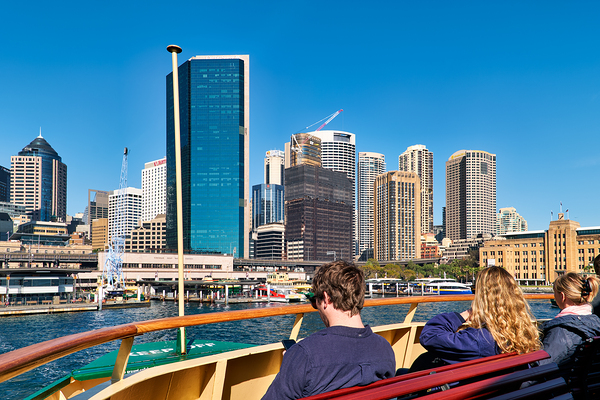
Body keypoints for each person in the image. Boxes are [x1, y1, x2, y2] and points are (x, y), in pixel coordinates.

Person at [261, 260, 396, 400]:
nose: (316, 306)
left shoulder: (304, 354)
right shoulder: (385, 349)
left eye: (315, 301)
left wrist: (292, 363)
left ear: (326, 299)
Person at [413, 266, 540, 371]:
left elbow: (429, 336)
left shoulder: (479, 340)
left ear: (482, 299)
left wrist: (463, 315)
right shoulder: (522, 335)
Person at [542, 273, 600, 366]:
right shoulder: (596, 323)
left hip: (561, 379)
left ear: (562, 296)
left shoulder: (561, 331)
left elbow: (542, 366)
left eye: (554, 293)